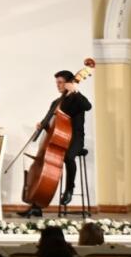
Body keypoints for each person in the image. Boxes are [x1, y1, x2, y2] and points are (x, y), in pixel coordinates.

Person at [22, 69, 92, 217]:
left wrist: (76, 91)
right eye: (57, 82)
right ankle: (36, 205)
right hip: (60, 138)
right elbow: (54, 127)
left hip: (76, 139)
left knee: (68, 157)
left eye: (60, 82)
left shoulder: (76, 99)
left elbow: (88, 106)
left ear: (68, 83)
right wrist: (43, 125)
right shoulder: (56, 102)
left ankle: (69, 189)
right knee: (41, 161)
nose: (58, 85)